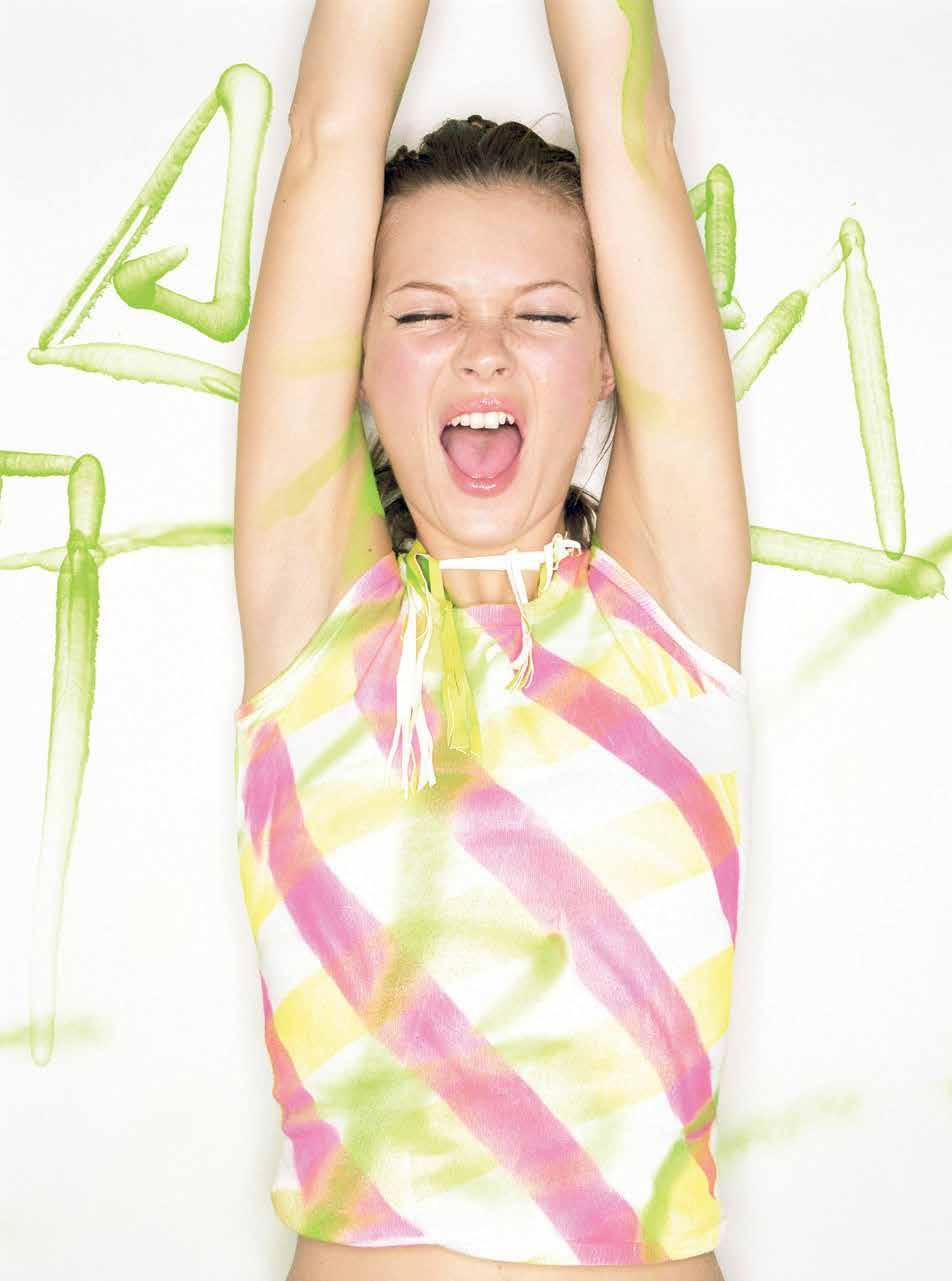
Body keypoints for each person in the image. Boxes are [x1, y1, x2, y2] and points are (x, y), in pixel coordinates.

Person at [232, 2, 751, 1278]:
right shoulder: (314, 630)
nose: (481, 352)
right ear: (357, 364)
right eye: (422, 316)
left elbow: (634, 143)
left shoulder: (667, 618)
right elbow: (327, 137)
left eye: (543, 317)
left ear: (610, 362)